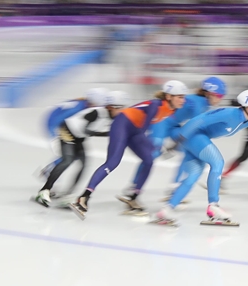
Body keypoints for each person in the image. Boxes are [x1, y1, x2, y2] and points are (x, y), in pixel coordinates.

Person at [68, 80, 187, 220]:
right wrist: (158, 147)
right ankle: (83, 198)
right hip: (122, 125)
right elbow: (143, 129)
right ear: (168, 97)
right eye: (179, 96)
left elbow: (145, 130)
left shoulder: (171, 109)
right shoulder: (156, 105)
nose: (183, 100)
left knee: (149, 160)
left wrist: (161, 147)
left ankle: (133, 197)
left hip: (134, 130)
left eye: (183, 97)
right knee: (112, 163)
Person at [151, 89, 248, 227]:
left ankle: (166, 210)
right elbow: (197, 121)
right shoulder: (230, 114)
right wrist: (180, 139)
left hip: (198, 139)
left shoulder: (246, 122)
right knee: (218, 162)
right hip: (193, 135)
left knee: (193, 175)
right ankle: (213, 206)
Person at [117, 76, 226, 214]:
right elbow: (197, 124)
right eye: (219, 95)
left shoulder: (203, 102)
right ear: (209, 93)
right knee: (152, 154)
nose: (220, 99)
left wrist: (177, 144)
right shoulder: (200, 102)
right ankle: (132, 188)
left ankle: (174, 187)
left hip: (173, 124)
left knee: (188, 148)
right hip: (161, 123)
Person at [32, 91, 129, 207]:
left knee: (84, 164)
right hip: (67, 132)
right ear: (110, 107)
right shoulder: (96, 113)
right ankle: (44, 191)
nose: (121, 111)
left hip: (79, 137)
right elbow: (86, 130)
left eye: (123, 108)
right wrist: (107, 133)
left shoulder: (111, 116)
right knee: (67, 160)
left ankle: (68, 195)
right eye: (119, 108)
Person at [35, 88, 108, 183]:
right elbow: (59, 120)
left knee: (74, 154)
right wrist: (56, 135)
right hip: (54, 126)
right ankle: (48, 172)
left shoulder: (84, 103)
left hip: (57, 123)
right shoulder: (78, 107)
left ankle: (48, 170)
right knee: (67, 154)